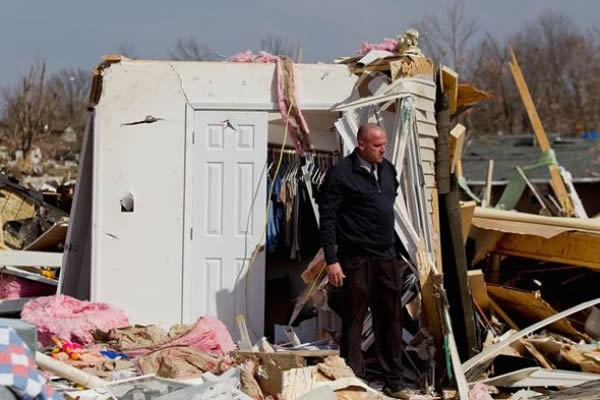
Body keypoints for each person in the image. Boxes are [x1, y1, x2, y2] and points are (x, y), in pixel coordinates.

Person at [318, 123, 408, 397]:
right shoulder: (340, 174)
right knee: (353, 320)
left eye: (385, 144)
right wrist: (332, 260)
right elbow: (327, 219)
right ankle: (352, 382)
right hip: (355, 259)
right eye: (377, 145)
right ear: (361, 145)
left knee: (390, 319)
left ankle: (394, 382)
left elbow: (387, 206)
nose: (383, 149)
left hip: (385, 257)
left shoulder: (388, 170)